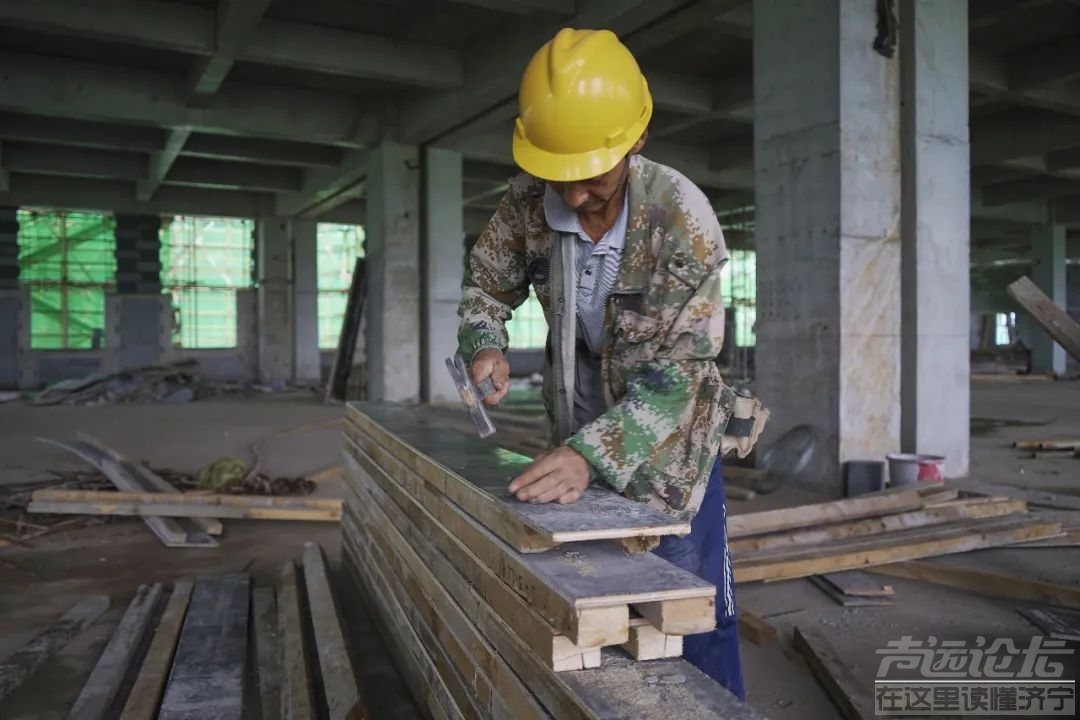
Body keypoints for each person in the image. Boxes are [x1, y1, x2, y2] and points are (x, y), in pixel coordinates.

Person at [455, 27, 767, 699]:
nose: (572, 199)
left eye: (591, 179)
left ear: (637, 142)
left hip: (670, 450)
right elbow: (485, 286)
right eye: (557, 179)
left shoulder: (683, 219)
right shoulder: (524, 207)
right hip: (576, 433)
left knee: (691, 607)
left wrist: (591, 457)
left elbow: (683, 372)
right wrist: (484, 342)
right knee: (592, 608)